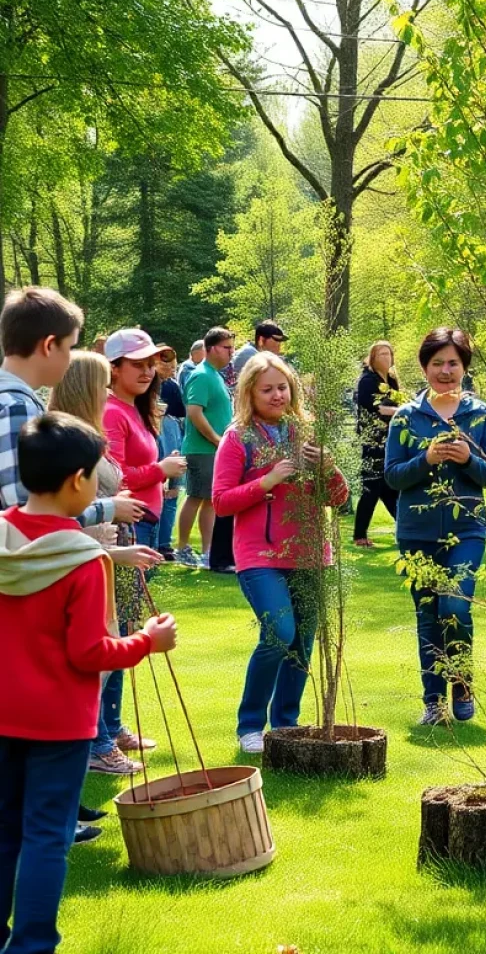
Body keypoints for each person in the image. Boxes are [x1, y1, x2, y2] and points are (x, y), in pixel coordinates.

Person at [0, 412, 177, 954]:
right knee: (47, 836)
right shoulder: (82, 559)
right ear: (78, 481)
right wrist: (148, 640)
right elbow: (89, 653)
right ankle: (32, 945)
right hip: (59, 724)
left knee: (4, 832)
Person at [213, 353, 349, 753]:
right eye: (267, 389)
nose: (276, 395)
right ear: (249, 393)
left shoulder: (308, 434)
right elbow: (220, 502)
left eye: (282, 387)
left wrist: (330, 468)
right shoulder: (238, 437)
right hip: (260, 557)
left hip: (309, 554)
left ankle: (286, 727)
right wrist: (266, 481)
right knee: (279, 632)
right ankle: (250, 724)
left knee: (303, 641)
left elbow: (339, 500)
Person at [48, 352, 166, 778]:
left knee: (113, 644)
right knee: (94, 655)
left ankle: (105, 732)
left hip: (102, 556)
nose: (106, 394)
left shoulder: (89, 435)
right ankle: (93, 744)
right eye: (100, 385)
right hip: (83, 560)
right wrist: (111, 527)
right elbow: (53, 520)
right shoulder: (65, 443)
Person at [384, 328, 486, 725]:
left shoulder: (481, 415)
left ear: (465, 368)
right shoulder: (406, 416)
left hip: (467, 529)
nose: (446, 371)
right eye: (437, 364)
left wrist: (469, 458)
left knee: (455, 604)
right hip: (416, 531)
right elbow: (392, 477)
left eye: (453, 363)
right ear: (424, 367)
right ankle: (433, 702)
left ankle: (462, 681)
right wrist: (427, 459)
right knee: (428, 614)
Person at [0, 287, 117, 530]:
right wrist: (108, 508)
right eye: (70, 347)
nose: (71, 357)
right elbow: (27, 515)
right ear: (49, 345)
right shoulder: (17, 408)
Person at [103, 330, 187, 552]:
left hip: (146, 521)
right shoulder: (112, 412)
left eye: (150, 364)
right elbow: (116, 478)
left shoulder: (136, 408)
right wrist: (161, 469)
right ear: (114, 367)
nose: (147, 372)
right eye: (138, 364)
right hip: (129, 524)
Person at [178, 327, 235, 568]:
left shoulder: (215, 374)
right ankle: (182, 548)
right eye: (226, 347)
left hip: (214, 450)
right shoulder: (202, 375)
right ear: (210, 349)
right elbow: (194, 412)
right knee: (195, 497)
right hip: (203, 450)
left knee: (211, 501)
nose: (231, 353)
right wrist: (215, 439)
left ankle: (207, 551)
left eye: (232, 347)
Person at [353, 341, 400, 548]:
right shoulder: (367, 380)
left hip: (391, 438)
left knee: (389, 488)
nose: (386, 358)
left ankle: (407, 528)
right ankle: (359, 535)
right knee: (372, 486)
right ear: (372, 357)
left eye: (388, 354)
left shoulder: (391, 380)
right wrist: (400, 411)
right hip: (372, 439)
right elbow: (375, 408)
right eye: (381, 354)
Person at [155, 349, 185, 559]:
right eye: (166, 364)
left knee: (171, 489)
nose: (169, 369)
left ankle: (162, 542)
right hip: (165, 431)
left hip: (169, 430)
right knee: (165, 489)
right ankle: (161, 543)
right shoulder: (166, 385)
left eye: (172, 366)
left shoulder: (169, 385)